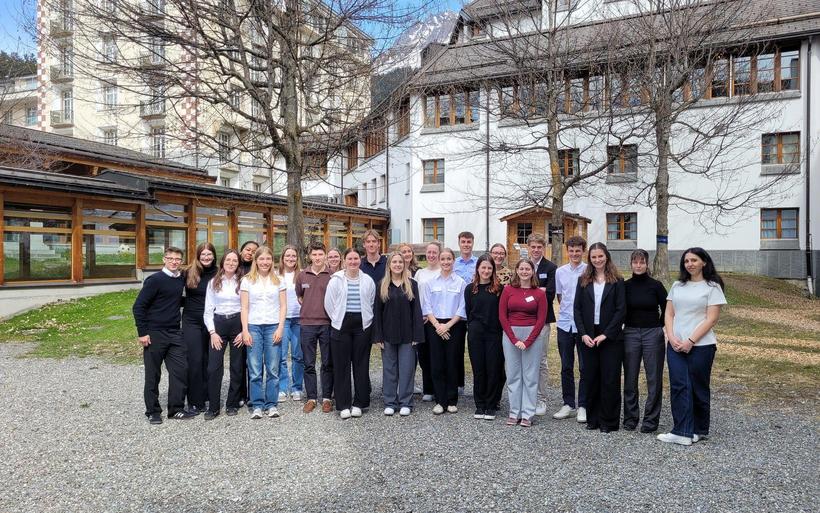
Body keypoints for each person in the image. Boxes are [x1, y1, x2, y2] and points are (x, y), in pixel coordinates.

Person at [657, 248, 726, 446]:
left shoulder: (712, 287)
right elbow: (669, 314)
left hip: (701, 346)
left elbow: (711, 319)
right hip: (676, 345)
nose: (690, 264)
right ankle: (682, 431)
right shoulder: (678, 285)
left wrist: (691, 341)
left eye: (694, 260)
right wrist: (671, 336)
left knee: (698, 387)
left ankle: (699, 429)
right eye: (686, 261)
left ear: (704, 262)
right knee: (679, 386)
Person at [132, 246, 195, 424]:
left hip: (175, 332)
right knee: (153, 374)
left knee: (180, 370)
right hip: (155, 333)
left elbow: (173, 300)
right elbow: (138, 307)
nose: (174, 262)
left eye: (177, 259)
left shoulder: (179, 279)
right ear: (164, 259)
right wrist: (142, 333)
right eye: (171, 258)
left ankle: (176, 409)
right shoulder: (154, 280)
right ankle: (152, 411)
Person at [573, 242, 626, 433]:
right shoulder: (583, 280)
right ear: (590, 259)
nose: (597, 260)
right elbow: (577, 309)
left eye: (600, 256)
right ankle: (593, 419)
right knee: (591, 377)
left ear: (607, 257)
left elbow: (621, 310)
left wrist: (606, 334)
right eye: (594, 257)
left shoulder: (617, 281)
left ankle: (609, 421)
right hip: (588, 335)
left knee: (610, 379)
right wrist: (584, 333)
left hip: (610, 336)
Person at [324, 248, 377, 419]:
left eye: (356, 258)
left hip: (362, 326)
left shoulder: (368, 280)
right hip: (341, 325)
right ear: (344, 261)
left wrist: (366, 321)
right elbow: (329, 304)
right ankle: (343, 404)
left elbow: (370, 301)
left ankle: (360, 403)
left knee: (361, 365)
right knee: (341, 366)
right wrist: (338, 319)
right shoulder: (336, 280)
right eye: (349, 258)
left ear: (359, 260)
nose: (353, 262)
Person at [373, 252, 424, 417]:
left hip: (408, 336)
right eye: (394, 262)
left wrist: (417, 335)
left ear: (404, 265)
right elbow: (377, 313)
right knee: (389, 369)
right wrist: (378, 336)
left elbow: (417, 312)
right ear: (389, 265)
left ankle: (405, 402)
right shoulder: (382, 285)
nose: (397, 265)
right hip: (387, 335)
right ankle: (390, 401)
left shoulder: (411, 285)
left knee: (407, 369)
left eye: (400, 262)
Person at [622, 249, 668, 433]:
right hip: (630, 333)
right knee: (630, 378)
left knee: (653, 378)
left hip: (652, 333)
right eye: (635, 262)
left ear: (647, 264)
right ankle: (631, 418)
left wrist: (660, 326)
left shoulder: (656, 286)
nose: (639, 265)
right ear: (631, 264)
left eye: (642, 262)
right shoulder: (625, 286)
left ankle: (650, 420)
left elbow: (668, 308)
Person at [240, 246, 287, 419]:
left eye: (268, 259)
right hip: (254, 327)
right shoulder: (247, 280)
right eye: (261, 259)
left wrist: (281, 327)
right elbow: (244, 307)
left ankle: (272, 404)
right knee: (254, 369)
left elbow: (283, 306)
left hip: (273, 326)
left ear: (271, 261)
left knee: (273, 368)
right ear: (256, 261)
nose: (265, 262)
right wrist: (245, 330)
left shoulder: (279, 280)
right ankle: (258, 404)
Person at [499, 259, 547, 427]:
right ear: (517, 271)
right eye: (522, 268)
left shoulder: (539, 293)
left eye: (528, 269)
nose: (525, 271)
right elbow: (502, 316)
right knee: (513, 374)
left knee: (530, 375)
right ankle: (514, 412)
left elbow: (541, 319)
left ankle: (527, 413)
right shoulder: (508, 290)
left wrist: (528, 341)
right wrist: (513, 339)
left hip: (532, 335)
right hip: (511, 334)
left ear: (532, 271)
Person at [421, 247, 466, 415]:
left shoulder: (460, 282)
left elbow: (462, 307)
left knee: (453, 362)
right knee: (437, 362)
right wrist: (438, 326)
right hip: (434, 325)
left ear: (454, 261)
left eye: (449, 259)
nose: (446, 262)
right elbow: (426, 305)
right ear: (439, 261)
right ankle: (440, 400)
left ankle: (452, 399)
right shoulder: (430, 282)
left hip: (455, 325)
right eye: (443, 259)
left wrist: (447, 326)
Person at [203, 249, 245, 419]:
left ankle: (232, 403)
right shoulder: (213, 282)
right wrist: (212, 332)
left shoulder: (243, 282)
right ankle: (213, 406)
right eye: (228, 260)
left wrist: (244, 330)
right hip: (218, 324)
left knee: (237, 367)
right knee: (214, 367)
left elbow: (247, 307)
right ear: (222, 262)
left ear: (238, 264)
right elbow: (208, 310)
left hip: (237, 324)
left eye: (235, 261)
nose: (231, 263)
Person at [464, 254, 505, 421]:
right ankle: (479, 404)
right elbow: (468, 311)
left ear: (493, 270)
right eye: (483, 267)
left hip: (494, 334)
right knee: (479, 369)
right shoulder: (470, 289)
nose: (486, 271)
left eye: (489, 268)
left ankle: (491, 403)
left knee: (494, 368)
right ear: (478, 269)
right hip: (475, 334)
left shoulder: (499, 289)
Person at [295, 241, 334, 414]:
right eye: (314, 255)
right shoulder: (302, 275)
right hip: (307, 324)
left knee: (327, 363)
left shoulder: (332, 275)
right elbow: (300, 296)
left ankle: (326, 398)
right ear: (309, 256)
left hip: (327, 324)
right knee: (308, 363)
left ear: (325, 255)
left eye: (320, 254)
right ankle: (311, 397)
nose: (317, 258)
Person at [553, 236, 588, 422]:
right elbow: (560, 296)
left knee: (584, 366)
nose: (574, 254)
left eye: (578, 250)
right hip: (565, 324)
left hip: (583, 326)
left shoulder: (589, 271)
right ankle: (568, 404)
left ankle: (583, 405)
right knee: (566, 366)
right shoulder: (560, 272)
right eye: (571, 251)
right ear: (568, 251)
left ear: (583, 251)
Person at [181, 242, 218, 415]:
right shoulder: (188, 272)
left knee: (209, 360)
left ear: (214, 256)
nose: (206, 257)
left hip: (211, 321)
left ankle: (208, 394)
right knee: (194, 360)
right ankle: (195, 400)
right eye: (203, 254)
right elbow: (174, 292)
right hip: (192, 321)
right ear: (197, 255)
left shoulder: (219, 273)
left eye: (209, 254)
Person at [527, 233, 557, 417]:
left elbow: (550, 293)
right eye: (533, 247)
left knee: (541, 361)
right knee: (526, 360)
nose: (536, 250)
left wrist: (530, 291)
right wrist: (540, 290)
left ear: (543, 248)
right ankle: (527, 396)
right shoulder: (523, 266)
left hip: (543, 320)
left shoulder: (551, 267)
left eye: (539, 247)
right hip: (523, 320)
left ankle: (541, 399)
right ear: (528, 247)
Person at [414, 240, 442, 402]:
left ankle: (439, 389)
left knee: (437, 356)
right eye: (429, 252)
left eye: (434, 253)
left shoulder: (442, 272)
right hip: (421, 320)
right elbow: (416, 296)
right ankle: (428, 389)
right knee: (423, 355)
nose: (431, 255)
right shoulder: (420, 273)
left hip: (437, 320)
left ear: (439, 254)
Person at [277, 244, 304, 403]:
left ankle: (297, 388)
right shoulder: (275, 275)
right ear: (282, 258)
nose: (291, 258)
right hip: (282, 320)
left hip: (299, 319)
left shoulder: (301, 275)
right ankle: (282, 388)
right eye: (288, 256)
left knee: (298, 356)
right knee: (280, 356)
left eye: (293, 256)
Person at [452, 232, 477, 394]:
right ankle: (459, 384)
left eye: (469, 242)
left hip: (476, 311)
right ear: (459, 243)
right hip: (458, 313)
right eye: (463, 242)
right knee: (457, 350)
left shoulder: (479, 262)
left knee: (476, 351)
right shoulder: (454, 264)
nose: (466, 244)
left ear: (473, 243)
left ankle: (478, 385)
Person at [237, 239, 259, 404]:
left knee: (252, 358)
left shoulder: (257, 272)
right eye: (247, 249)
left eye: (253, 251)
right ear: (242, 250)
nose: (250, 253)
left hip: (252, 318)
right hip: (233, 317)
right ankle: (240, 393)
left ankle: (253, 394)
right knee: (238, 359)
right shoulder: (233, 267)